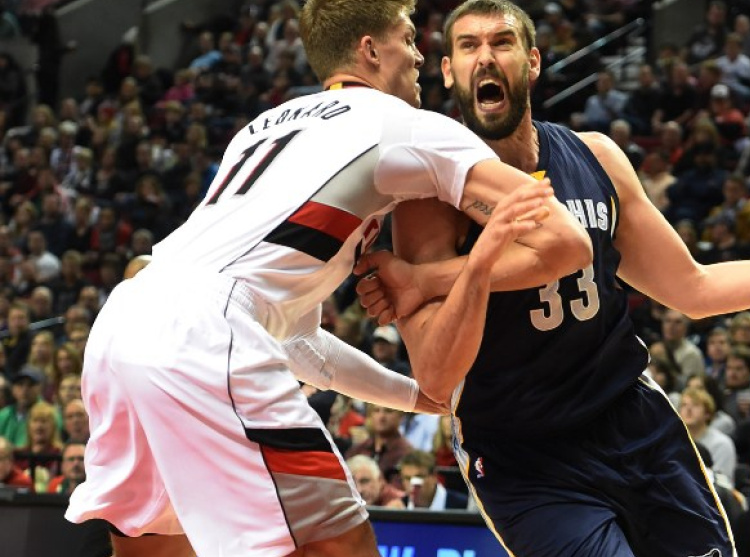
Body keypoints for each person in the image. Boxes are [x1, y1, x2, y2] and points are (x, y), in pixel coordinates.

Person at [356, 1, 750, 555]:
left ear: (533, 61)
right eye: (469, 46)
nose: (486, 58)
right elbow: (438, 376)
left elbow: (694, 288)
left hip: (630, 419)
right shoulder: (428, 196)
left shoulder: (596, 158)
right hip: (523, 452)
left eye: (502, 42)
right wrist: (474, 268)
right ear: (449, 72)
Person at [63, 1, 591, 556]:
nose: (418, 56)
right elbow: (570, 242)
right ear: (371, 50)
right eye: (409, 38)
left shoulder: (260, 128)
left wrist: (417, 398)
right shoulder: (403, 125)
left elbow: (300, 345)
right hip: (207, 331)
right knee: (340, 545)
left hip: (124, 322)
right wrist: (440, 276)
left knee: (153, 547)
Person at [397, 450, 469, 510]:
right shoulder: (397, 509)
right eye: (407, 478)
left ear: (434, 476)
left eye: (419, 477)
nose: (413, 484)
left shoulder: (464, 506)